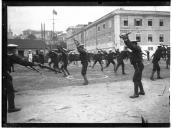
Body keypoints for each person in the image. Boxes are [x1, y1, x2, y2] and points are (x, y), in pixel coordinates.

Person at [120, 33, 145, 98]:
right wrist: (126, 40)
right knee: (138, 79)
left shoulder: (136, 48)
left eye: (132, 44)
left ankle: (136, 94)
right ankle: (142, 91)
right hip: (139, 65)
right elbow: (130, 48)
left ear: (134, 44)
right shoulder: (136, 49)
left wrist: (126, 39)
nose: (131, 45)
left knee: (135, 79)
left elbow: (130, 46)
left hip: (138, 66)